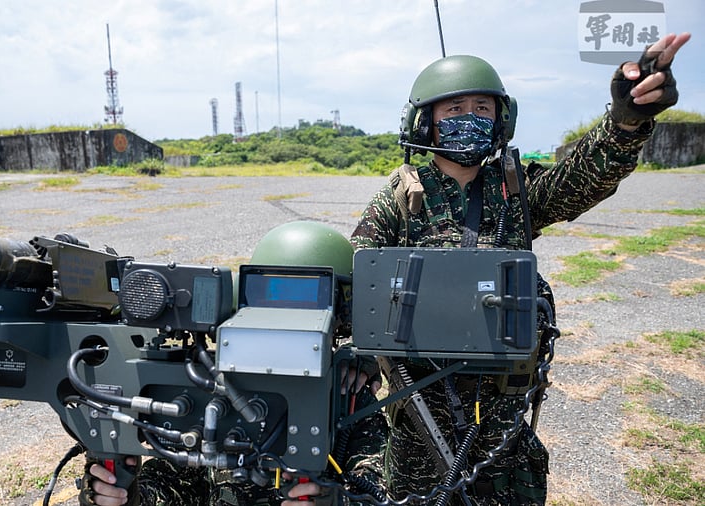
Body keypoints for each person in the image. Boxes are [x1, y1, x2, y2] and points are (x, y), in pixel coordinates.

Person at [346, 32, 691, 505]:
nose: (469, 118)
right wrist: (356, 358)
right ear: (425, 122)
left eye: (481, 109)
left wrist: (626, 121)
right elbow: (354, 286)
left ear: (500, 119)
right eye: (453, 109)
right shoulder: (399, 202)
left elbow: (583, 177)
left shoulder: (514, 190)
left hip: (504, 416)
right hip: (422, 418)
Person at [82, 221, 388, 506]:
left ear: (341, 322)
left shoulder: (349, 395)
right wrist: (123, 493)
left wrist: (334, 500)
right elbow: (170, 483)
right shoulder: (215, 384)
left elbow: (374, 482)